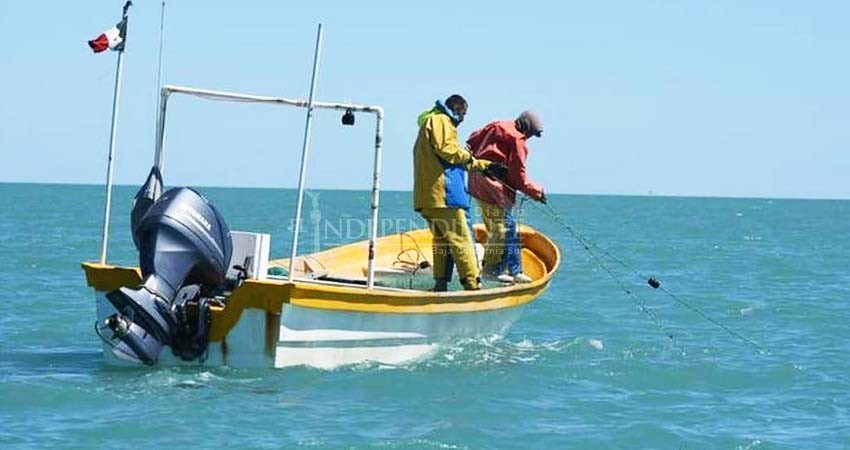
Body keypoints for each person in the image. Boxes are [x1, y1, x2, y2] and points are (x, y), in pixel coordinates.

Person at [413, 95, 506, 291]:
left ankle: (440, 284)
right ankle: (473, 286)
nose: (463, 119)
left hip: (429, 196)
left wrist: (484, 166)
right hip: (446, 195)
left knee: (442, 242)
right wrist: (477, 161)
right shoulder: (441, 120)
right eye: (463, 114)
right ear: (457, 109)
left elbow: (446, 153)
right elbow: (448, 150)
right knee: (462, 240)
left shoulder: (428, 124)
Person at [467, 110, 546, 284]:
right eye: (531, 134)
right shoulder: (517, 139)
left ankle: (515, 270)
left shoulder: (495, 126)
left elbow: (471, 141)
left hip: (475, 182)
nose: (530, 137)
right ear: (526, 128)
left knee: (507, 228)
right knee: (503, 228)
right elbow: (518, 175)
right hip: (493, 188)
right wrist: (536, 192)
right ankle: (491, 270)